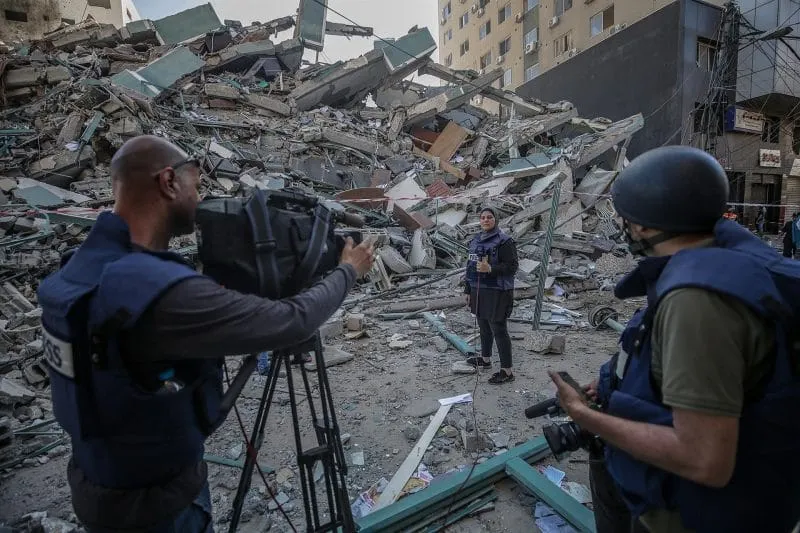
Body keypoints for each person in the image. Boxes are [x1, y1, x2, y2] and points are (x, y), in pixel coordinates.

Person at [36, 135, 376, 533]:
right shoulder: (156, 289)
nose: (200, 202)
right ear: (168, 182)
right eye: (196, 186)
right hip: (159, 508)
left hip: (100, 485)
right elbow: (292, 320)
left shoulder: (84, 266)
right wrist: (348, 270)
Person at [548, 146, 800, 533]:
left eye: (626, 217)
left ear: (647, 225)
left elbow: (705, 460)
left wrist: (586, 417)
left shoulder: (696, 302)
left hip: (692, 517)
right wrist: (615, 381)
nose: (624, 225)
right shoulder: (724, 258)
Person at [462, 207, 519, 384]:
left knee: (499, 329)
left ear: (495, 220)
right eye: (483, 218)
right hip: (479, 290)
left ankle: (507, 371)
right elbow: (470, 267)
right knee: (483, 326)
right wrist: (467, 290)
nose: (486, 220)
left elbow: (512, 266)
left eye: (490, 217)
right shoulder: (476, 240)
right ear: (480, 221)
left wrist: (491, 269)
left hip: (498, 291)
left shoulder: (504, 242)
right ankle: (485, 360)